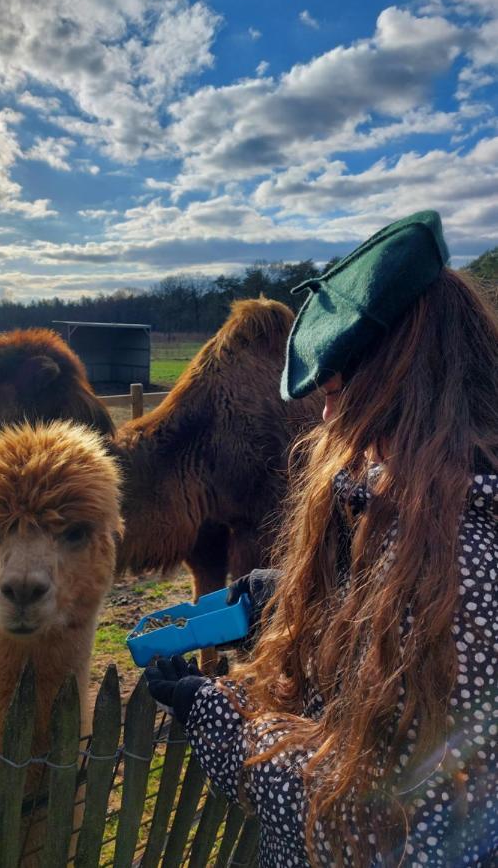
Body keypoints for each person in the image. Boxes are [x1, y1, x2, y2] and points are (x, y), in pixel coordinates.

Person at [144, 211, 497, 867]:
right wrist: (300, 598)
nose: (325, 415)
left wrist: (216, 719)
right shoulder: (441, 502)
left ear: (397, 380)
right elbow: (395, 683)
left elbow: (378, 822)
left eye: (335, 389)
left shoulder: (461, 561)